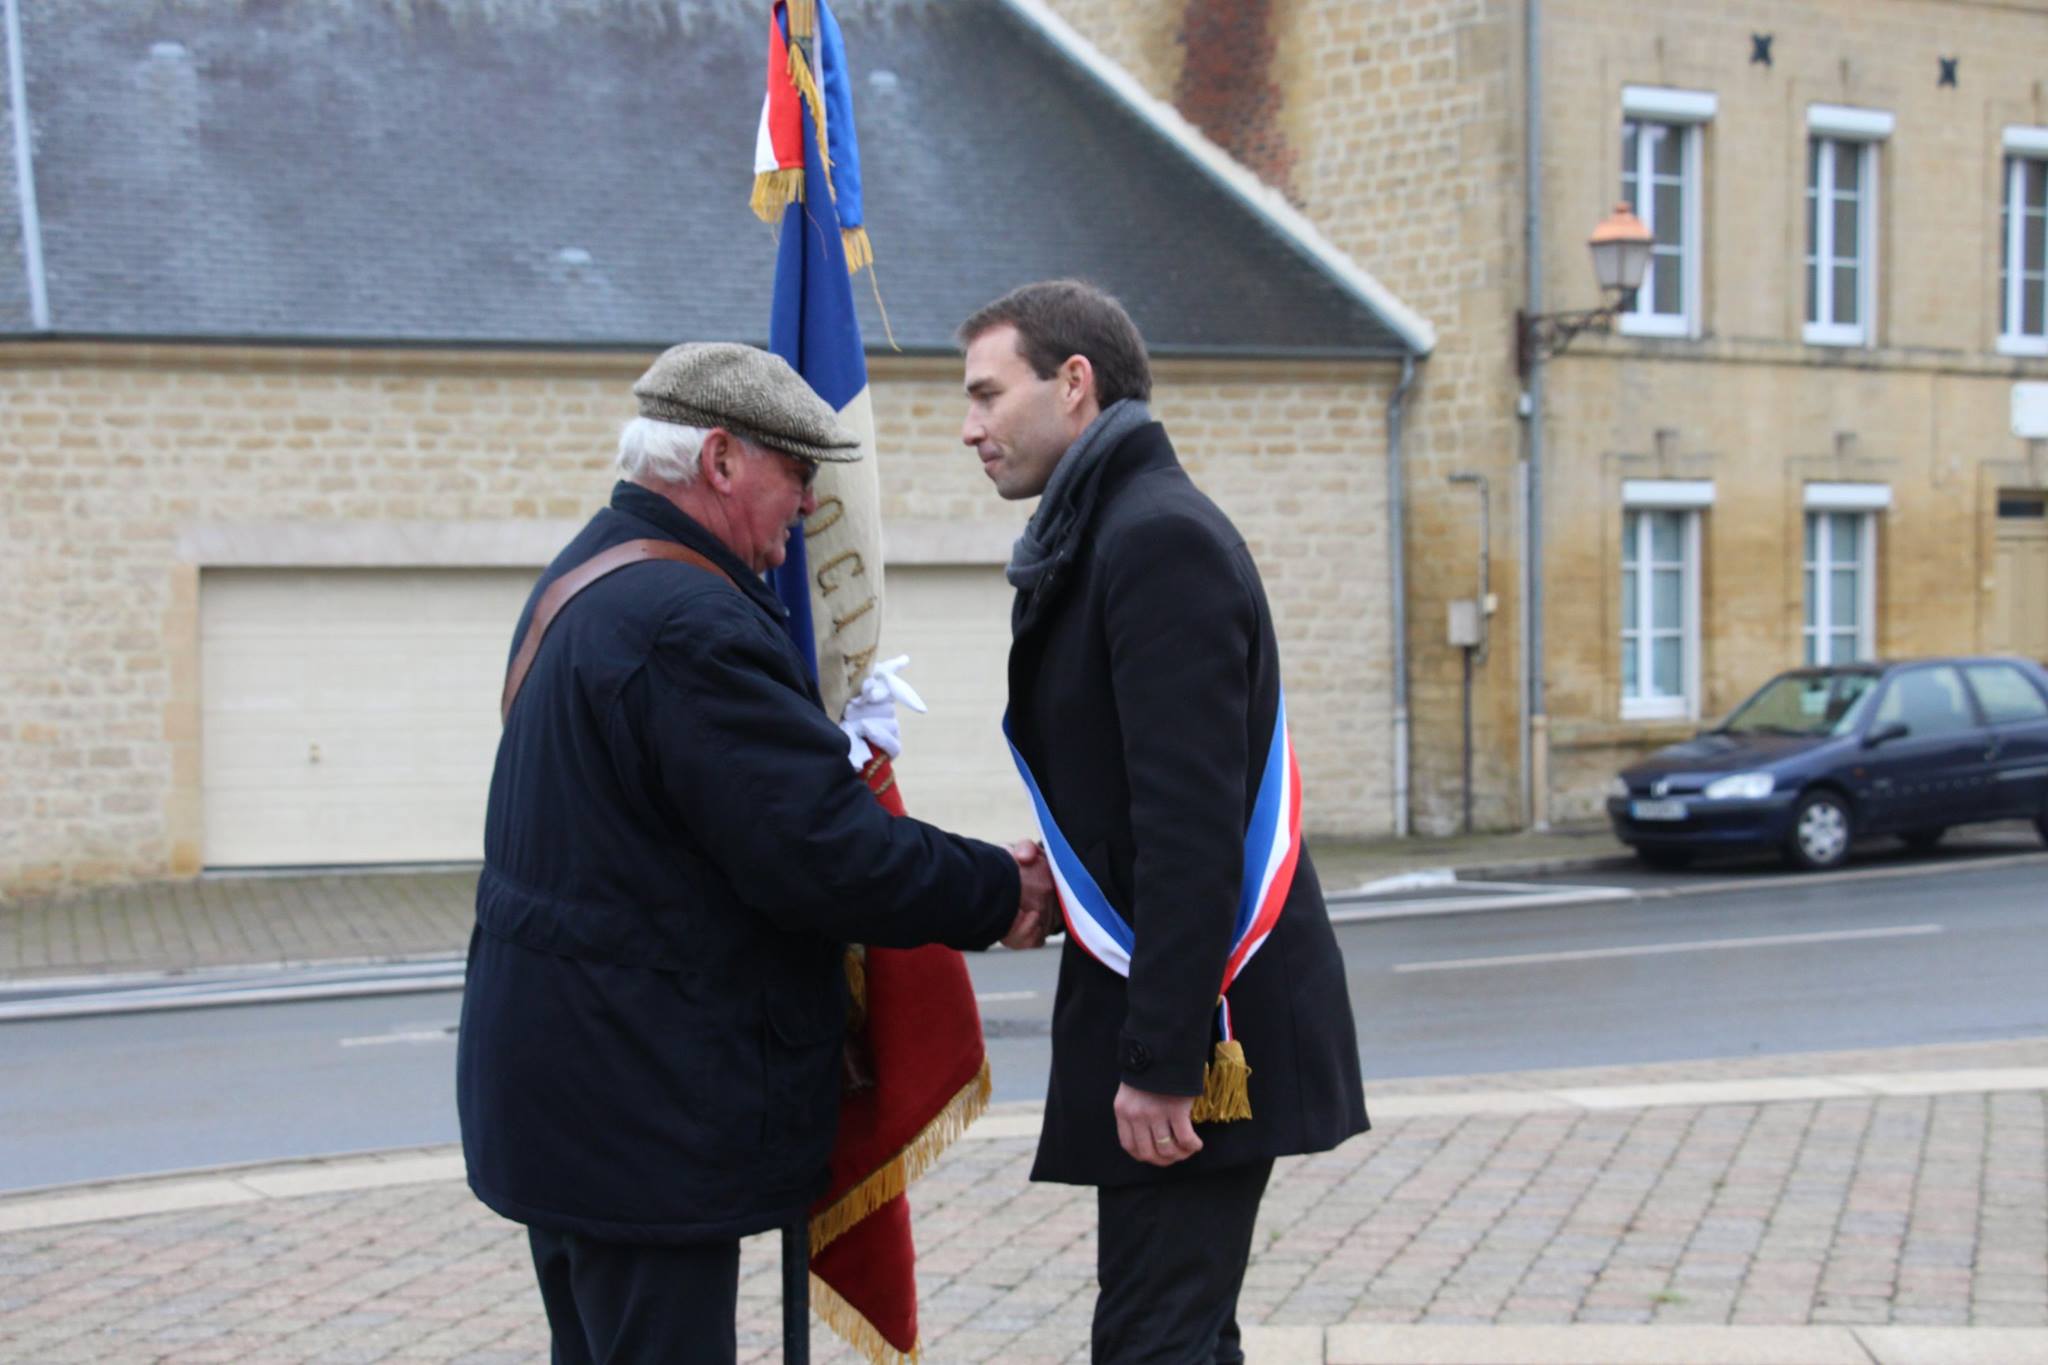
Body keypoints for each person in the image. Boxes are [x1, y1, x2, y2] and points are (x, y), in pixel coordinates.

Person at [456, 341, 1054, 1365]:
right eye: (798, 473)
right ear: (722, 459)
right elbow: (825, 855)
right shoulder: (689, 624)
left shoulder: (588, 575)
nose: (810, 508)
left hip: (569, 1100)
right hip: (640, 1115)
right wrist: (1005, 887)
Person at [959, 281, 1369, 1364]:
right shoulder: (1110, 530)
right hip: (1173, 1009)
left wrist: (1160, 1060)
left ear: (1074, 383)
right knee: (1180, 1335)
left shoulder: (1153, 540)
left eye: (987, 394)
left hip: (1202, 1025)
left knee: (1153, 1341)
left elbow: (1189, 825)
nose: (968, 427)